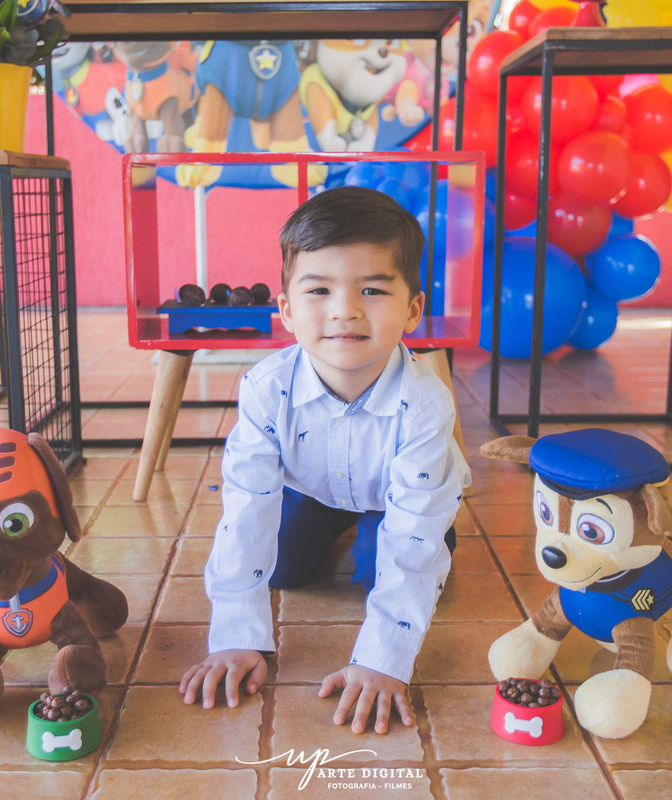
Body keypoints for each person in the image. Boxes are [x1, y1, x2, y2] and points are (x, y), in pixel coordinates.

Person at [180, 185, 469, 734]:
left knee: (383, 571)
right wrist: (236, 635)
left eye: (373, 290)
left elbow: (412, 537)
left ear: (413, 309)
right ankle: (332, 531)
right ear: (287, 310)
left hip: (393, 502)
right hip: (309, 490)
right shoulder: (265, 388)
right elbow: (246, 510)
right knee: (283, 569)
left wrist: (383, 660)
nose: (345, 311)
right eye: (319, 290)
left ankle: (377, 537)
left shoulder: (426, 404)